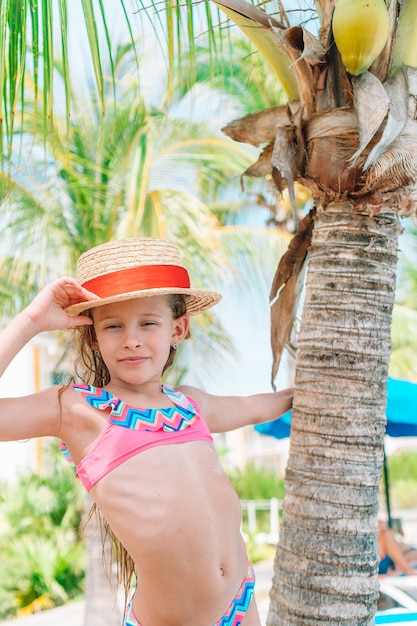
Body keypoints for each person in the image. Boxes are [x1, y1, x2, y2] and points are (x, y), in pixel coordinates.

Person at [0, 237, 294, 626]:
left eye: (148, 323)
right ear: (94, 336)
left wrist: (310, 389)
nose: (132, 339)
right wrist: (31, 322)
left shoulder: (191, 405)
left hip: (241, 605)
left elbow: (259, 406)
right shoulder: (79, 408)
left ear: (178, 329)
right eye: (113, 326)